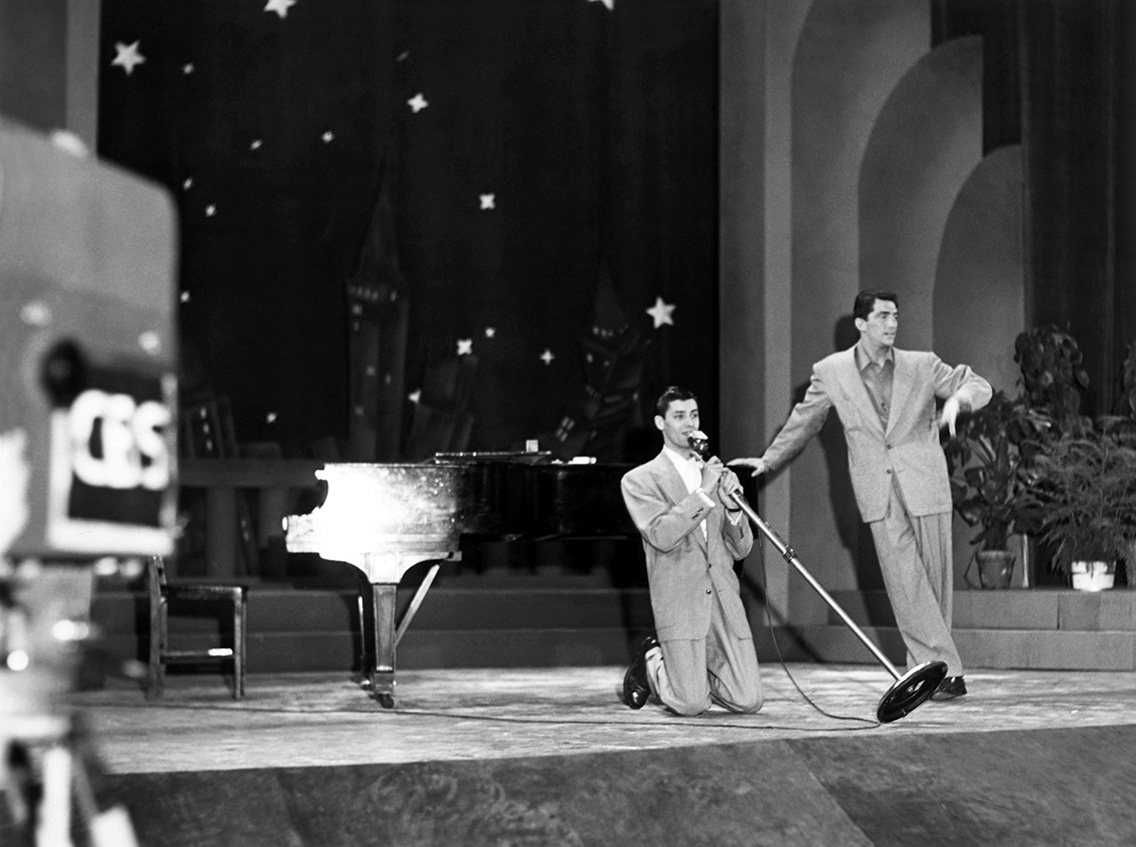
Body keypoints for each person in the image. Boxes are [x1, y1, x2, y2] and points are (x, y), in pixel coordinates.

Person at [730, 291, 990, 701]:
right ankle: (947, 669)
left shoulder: (922, 364)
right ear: (861, 323)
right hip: (877, 489)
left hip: (925, 482)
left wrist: (959, 401)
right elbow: (805, 421)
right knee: (905, 581)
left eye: (896, 316)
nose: (892, 323)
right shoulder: (831, 371)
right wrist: (768, 460)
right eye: (883, 316)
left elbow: (975, 383)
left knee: (934, 582)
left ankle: (928, 669)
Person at [619, 386, 763, 716]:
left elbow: (740, 550)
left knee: (749, 701)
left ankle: (694, 674)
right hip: (681, 601)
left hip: (722, 601)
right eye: (679, 416)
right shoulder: (639, 480)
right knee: (691, 705)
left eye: (694, 415)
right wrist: (704, 491)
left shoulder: (716, 473)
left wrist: (733, 511)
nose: (689, 423)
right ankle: (654, 659)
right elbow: (662, 534)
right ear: (660, 422)